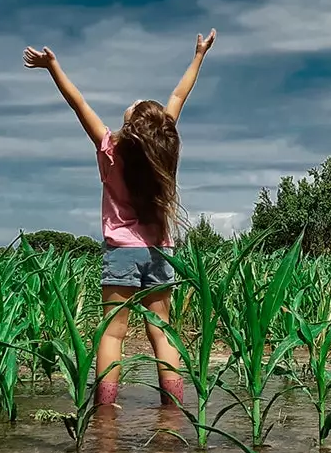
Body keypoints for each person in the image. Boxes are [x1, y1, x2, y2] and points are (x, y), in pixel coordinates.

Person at [22, 29, 216, 412]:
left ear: (130, 129)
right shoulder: (163, 150)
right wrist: (198, 55)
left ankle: (106, 415)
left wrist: (53, 67)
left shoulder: (110, 149)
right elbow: (178, 96)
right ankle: (172, 413)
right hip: (160, 252)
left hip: (121, 253)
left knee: (113, 334)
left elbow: (78, 103)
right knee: (162, 331)